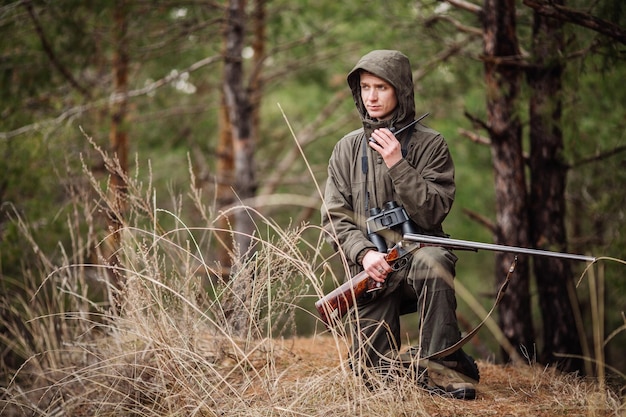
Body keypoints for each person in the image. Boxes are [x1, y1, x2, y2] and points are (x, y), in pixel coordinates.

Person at [321, 50, 479, 399]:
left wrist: (397, 163)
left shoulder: (430, 144)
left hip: (418, 262)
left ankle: (443, 370)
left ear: (401, 91)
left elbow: (433, 212)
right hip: (373, 275)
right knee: (372, 381)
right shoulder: (346, 149)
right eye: (365, 87)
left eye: (381, 87)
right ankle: (442, 357)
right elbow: (333, 218)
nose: (372, 96)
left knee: (433, 261)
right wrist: (363, 255)